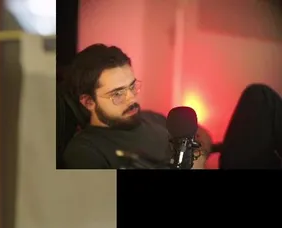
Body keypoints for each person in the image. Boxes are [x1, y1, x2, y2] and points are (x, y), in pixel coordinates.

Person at [60, 44, 210, 169]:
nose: (131, 98)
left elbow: (200, 133)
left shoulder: (152, 118)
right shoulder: (84, 152)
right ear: (88, 102)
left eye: (132, 87)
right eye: (118, 93)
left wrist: (198, 154)